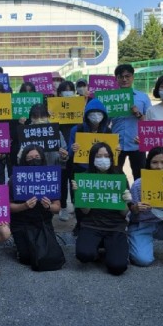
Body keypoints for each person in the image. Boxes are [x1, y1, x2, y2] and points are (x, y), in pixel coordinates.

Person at [72, 142, 132, 276]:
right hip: (92, 224)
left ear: (111, 158)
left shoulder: (119, 177)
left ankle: (111, 250)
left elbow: (124, 214)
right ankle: (97, 247)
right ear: (92, 159)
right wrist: (79, 194)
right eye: (99, 156)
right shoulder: (85, 178)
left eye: (106, 156)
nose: (103, 159)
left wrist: (126, 202)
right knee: (83, 255)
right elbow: (85, 211)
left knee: (118, 267)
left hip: (115, 226)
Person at [10, 145, 61, 265]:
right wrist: (24, 206)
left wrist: (49, 206)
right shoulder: (15, 178)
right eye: (29, 158)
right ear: (24, 160)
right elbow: (8, 207)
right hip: (21, 223)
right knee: (26, 258)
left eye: (37, 157)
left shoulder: (50, 177)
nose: (34, 160)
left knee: (47, 255)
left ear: (42, 158)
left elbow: (57, 208)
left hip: (43, 222)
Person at [68, 98, 112, 231]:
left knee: (96, 195)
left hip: (100, 169)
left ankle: (96, 222)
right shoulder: (77, 129)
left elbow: (111, 152)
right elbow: (69, 153)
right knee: (79, 197)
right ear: (86, 114)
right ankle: (79, 223)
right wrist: (72, 149)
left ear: (104, 115)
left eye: (99, 113)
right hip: (80, 168)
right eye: (92, 113)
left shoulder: (108, 132)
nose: (96, 116)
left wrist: (117, 150)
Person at [109, 64, 152, 180]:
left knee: (140, 177)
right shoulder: (111, 98)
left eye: (127, 76)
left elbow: (150, 122)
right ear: (116, 79)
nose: (124, 79)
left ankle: (139, 198)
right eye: (120, 77)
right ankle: (124, 196)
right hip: (116, 144)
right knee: (115, 175)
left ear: (132, 77)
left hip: (137, 143)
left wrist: (137, 114)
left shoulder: (143, 97)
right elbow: (103, 121)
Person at [56, 81, 82, 221]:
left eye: (70, 90)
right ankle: (63, 208)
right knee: (62, 180)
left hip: (77, 149)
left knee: (74, 180)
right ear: (59, 93)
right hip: (60, 150)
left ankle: (76, 205)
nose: (68, 93)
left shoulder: (79, 107)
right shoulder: (55, 107)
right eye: (65, 90)